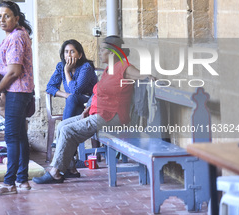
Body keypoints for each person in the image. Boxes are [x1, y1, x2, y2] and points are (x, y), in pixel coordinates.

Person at [33, 35, 153, 183]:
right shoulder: (109, 69)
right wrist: (87, 109)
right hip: (98, 112)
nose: (99, 53)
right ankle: (70, 168)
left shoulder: (124, 68)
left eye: (102, 50)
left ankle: (55, 172)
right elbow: (98, 94)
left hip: (112, 116)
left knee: (67, 131)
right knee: (63, 125)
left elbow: (144, 76)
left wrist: (152, 79)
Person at [0, 0, 34, 195]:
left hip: (17, 91)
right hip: (20, 91)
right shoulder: (18, 35)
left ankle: (9, 183)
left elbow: (14, 71)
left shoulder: (16, 38)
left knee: (12, 137)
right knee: (20, 137)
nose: (2, 19)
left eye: (7, 16)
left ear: (16, 18)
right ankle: (22, 181)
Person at [46, 39, 98, 120]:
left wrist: (66, 71)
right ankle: (68, 130)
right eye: (66, 52)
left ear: (80, 55)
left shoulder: (86, 67)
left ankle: (64, 128)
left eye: (72, 52)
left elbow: (75, 91)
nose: (69, 55)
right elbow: (50, 87)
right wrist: (66, 95)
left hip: (89, 101)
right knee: (73, 101)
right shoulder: (61, 66)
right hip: (73, 102)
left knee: (72, 98)